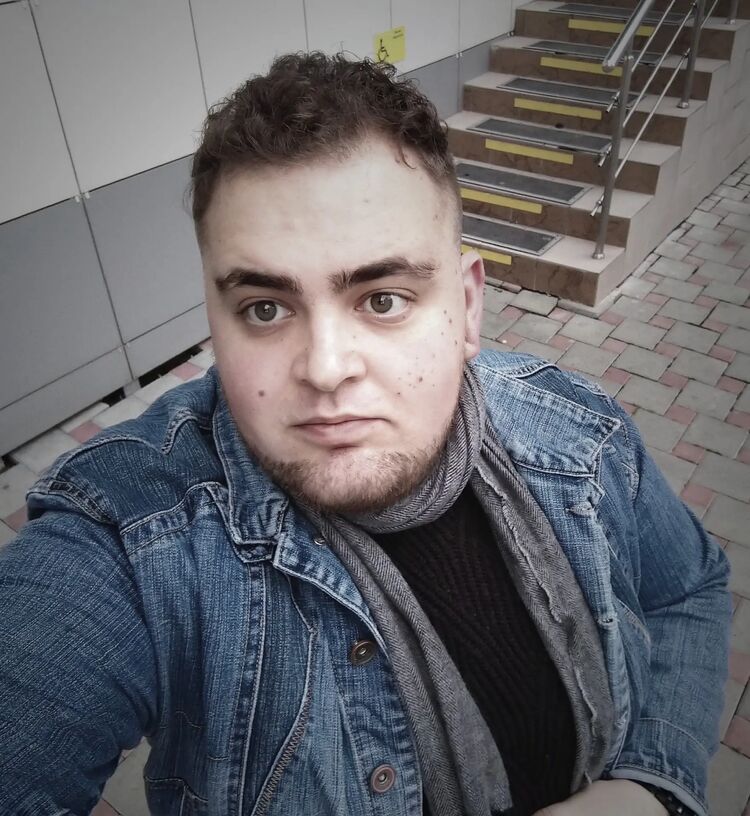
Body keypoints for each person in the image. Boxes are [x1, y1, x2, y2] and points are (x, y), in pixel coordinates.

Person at [0, 52, 731, 816]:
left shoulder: (578, 431)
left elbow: (687, 589)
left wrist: (653, 785)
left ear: (467, 310)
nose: (325, 369)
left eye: (383, 299)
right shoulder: (137, 540)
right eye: (264, 309)